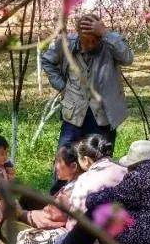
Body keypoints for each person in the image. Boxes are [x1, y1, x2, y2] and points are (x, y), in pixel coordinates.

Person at [40, 12, 133, 162]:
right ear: (78, 35)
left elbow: (128, 58)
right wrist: (62, 86)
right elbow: (46, 61)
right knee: (65, 160)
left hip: (103, 116)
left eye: (95, 40)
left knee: (100, 164)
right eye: (86, 41)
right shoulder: (67, 44)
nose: (90, 45)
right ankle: (62, 187)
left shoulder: (110, 43)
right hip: (74, 115)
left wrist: (105, 33)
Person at [1, 145, 81, 244]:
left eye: (59, 161)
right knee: (28, 197)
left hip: (64, 234)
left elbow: (48, 217)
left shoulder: (70, 192)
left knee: (6, 226)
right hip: (61, 221)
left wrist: (20, 213)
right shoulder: (77, 182)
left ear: (74, 166)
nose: (55, 166)